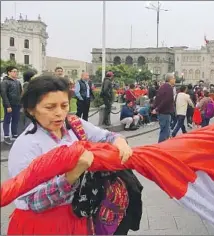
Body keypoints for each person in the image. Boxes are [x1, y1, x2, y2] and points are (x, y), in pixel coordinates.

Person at [7, 75, 136, 234]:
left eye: (64, 105)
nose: (59, 113)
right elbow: (33, 202)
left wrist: (119, 141)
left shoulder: (73, 125)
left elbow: (106, 136)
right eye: (50, 107)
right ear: (31, 109)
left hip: (77, 216)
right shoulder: (26, 146)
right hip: (42, 225)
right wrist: (72, 175)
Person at [0, 66, 22, 144]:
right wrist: (8, 105)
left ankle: (14, 134)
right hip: (9, 105)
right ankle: (6, 136)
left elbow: (20, 94)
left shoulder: (18, 82)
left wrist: (21, 104)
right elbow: (3, 94)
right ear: (9, 72)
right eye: (14, 71)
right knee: (7, 120)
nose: (16, 73)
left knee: (16, 120)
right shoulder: (4, 82)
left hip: (17, 104)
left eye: (17, 71)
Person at [152, 73, 175, 143]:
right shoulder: (169, 88)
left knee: (166, 131)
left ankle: (165, 146)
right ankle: (160, 147)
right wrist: (156, 109)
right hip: (165, 112)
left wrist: (155, 108)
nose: (175, 80)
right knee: (164, 132)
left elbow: (157, 99)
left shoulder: (162, 87)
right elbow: (166, 100)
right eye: (174, 78)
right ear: (170, 79)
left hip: (162, 112)